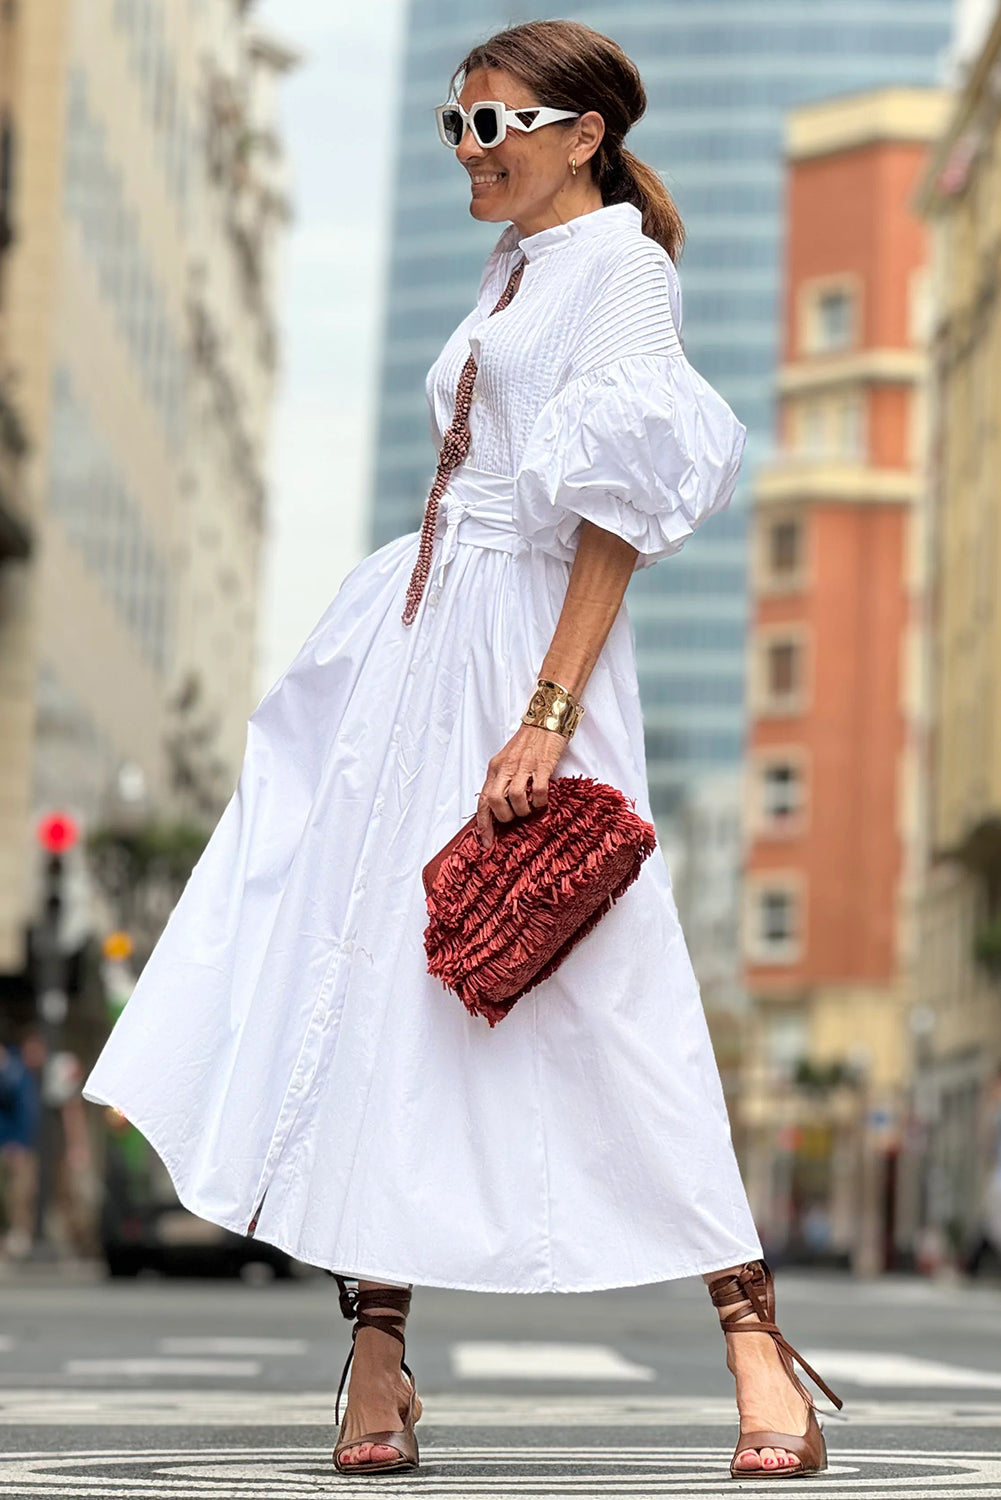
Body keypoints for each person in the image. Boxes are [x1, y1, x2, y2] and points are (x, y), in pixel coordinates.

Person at [83, 18, 840, 1481]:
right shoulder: (518, 267)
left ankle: (755, 1342)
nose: (466, 152)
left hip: (516, 650)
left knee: (605, 982)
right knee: (370, 985)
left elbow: (614, 509)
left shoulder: (621, 265)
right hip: (418, 646)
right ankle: (375, 1355)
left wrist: (547, 712)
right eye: (452, 125)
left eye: (492, 126)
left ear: (580, 134)